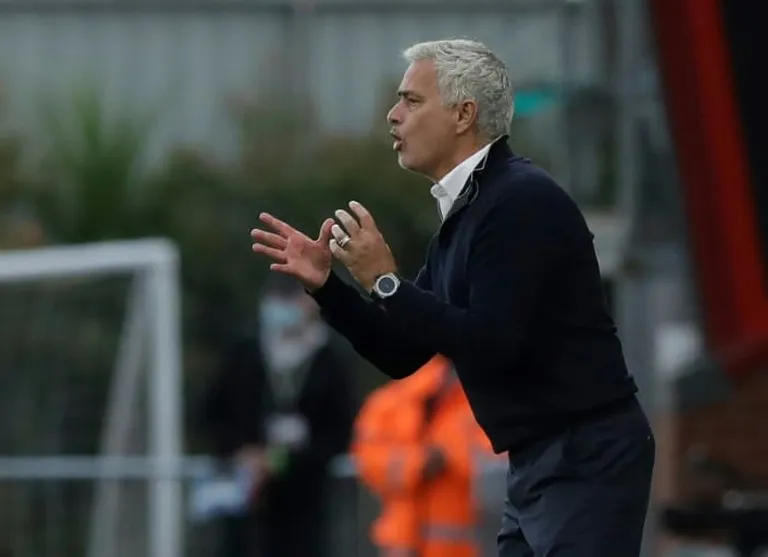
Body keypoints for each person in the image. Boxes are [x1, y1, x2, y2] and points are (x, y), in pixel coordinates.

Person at [250, 38, 655, 557]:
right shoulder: (470, 212)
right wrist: (328, 288)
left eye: (412, 100)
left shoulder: (520, 200)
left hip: (585, 453)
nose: (393, 115)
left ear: (464, 114)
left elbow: (492, 343)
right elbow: (402, 351)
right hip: (540, 459)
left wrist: (386, 282)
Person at [199, 274, 356, 557]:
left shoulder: (329, 358)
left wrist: (279, 461)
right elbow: (212, 414)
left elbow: (341, 430)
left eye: (291, 298)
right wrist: (241, 452)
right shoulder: (244, 352)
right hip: (243, 490)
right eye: (277, 298)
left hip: (304, 497)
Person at [353, 354, 499, 557]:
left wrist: (444, 457)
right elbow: (368, 463)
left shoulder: (477, 407)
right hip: (401, 543)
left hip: (458, 545)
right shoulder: (387, 405)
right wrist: (419, 464)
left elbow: (492, 465)